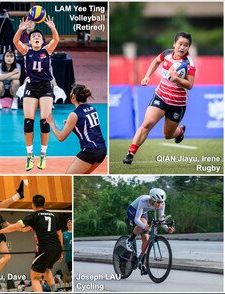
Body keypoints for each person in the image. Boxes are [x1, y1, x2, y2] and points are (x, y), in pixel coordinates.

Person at [123, 32, 196, 164]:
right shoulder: (167, 54)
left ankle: (179, 132)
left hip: (177, 104)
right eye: (180, 43)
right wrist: (147, 76)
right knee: (147, 124)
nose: (182, 47)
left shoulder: (189, 63)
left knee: (167, 135)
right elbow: (156, 61)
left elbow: (190, 85)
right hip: (161, 96)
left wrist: (176, 78)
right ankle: (130, 153)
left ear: (188, 47)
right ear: (174, 44)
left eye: (186, 45)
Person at [0, 194, 63, 293]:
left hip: (45, 249)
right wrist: (61, 250)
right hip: (57, 249)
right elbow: (59, 233)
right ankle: (55, 291)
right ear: (43, 204)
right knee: (46, 269)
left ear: (33, 204)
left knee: (35, 278)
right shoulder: (53, 215)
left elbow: (15, 227)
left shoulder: (33, 216)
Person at [13, 17, 59, 171]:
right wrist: (20, 29)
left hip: (46, 87)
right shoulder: (27, 51)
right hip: (31, 87)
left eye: (39, 36)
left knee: (45, 122)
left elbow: (56, 39)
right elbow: (15, 42)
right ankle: (29, 155)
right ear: (30, 41)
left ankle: (43, 155)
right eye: (34, 37)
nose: (37, 38)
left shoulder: (48, 50)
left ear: (42, 41)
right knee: (28, 122)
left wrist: (52, 27)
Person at [46, 84, 106, 174]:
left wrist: (51, 122)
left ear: (73, 96)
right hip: (102, 150)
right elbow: (89, 129)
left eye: (71, 92)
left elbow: (60, 137)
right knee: (83, 175)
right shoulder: (92, 108)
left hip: (90, 150)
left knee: (68, 177)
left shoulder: (74, 114)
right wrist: (74, 126)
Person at [125, 188, 175, 275]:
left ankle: (141, 263)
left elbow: (161, 220)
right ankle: (129, 240)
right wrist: (145, 226)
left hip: (143, 212)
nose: (160, 204)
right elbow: (137, 219)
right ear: (152, 199)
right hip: (133, 209)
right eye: (158, 202)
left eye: (162, 202)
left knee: (146, 238)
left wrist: (167, 228)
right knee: (143, 223)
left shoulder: (162, 203)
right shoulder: (144, 200)